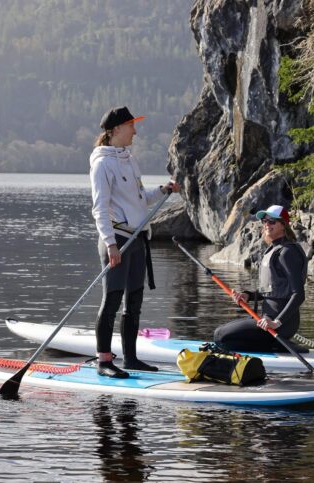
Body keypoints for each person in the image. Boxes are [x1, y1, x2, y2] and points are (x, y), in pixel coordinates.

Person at [89, 106, 180, 378]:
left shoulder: (128, 159)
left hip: (138, 238)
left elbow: (139, 199)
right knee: (112, 299)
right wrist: (110, 244)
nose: (135, 131)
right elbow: (99, 209)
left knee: (135, 301)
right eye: (131, 126)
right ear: (115, 130)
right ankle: (104, 361)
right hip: (116, 239)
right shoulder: (102, 163)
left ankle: (130, 358)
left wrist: (162, 190)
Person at [214, 205, 308, 352]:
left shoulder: (287, 252)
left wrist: (277, 322)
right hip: (266, 320)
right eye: (264, 221)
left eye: (272, 221)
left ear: (283, 225)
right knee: (220, 335)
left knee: (221, 336)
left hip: (281, 324)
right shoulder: (273, 250)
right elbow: (270, 291)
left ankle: (277, 345)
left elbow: (299, 294)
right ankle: (274, 346)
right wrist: (248, 295)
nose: (266, 224)